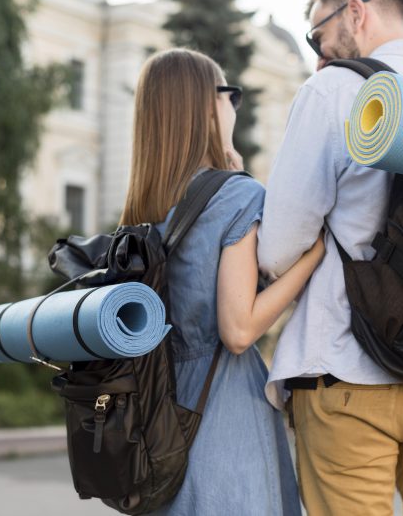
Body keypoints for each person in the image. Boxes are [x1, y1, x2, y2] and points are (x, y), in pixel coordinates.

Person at [258, 0, 403, 514]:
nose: (318, 52)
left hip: (347, 369)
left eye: (317, 34)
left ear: (355, 12)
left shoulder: (334, 90)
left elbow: (278, 248)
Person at [120, 48, 324, 515]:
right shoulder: (236, 195)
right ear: (207, 106)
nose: (234, 104)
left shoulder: (141, 208)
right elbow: (238, 331)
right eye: (228, 94)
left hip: (156, 413)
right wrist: (311, 259)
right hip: (223, 406)